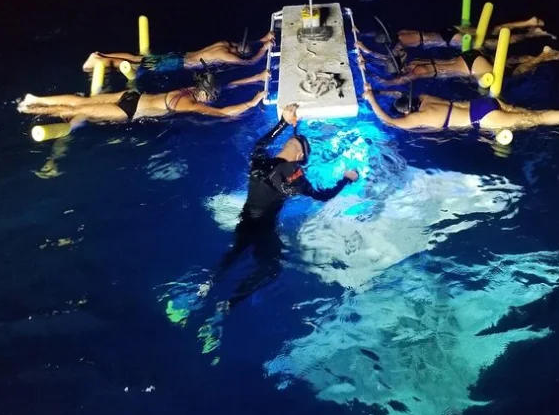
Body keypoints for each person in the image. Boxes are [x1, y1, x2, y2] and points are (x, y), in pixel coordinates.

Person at [198, 104, 360, 308]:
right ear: (300, 158)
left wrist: (283, 122)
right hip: (264, 229)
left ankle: (208, 283)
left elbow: (261, 144)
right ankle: (230, 303)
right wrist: (346, 179)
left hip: (246, 220)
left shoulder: (259, 161)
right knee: (272, 269)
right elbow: (323, 195)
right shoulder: (292, 174)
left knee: (235, 252)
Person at [18, 70, 266, 123]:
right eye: (211, 97)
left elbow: (227, 85)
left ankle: (35, 98)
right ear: (205, 93)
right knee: (77, 112)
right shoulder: (190, 103)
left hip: (133, 95)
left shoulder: (190, 89)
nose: (211, 101)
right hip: (129, 110)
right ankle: (30, 110)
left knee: (81, 102)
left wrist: (256, 77)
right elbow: (223, 113)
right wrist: (252, 102)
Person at [362, 85, 559, 132]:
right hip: (483, 103)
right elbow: (400, 95)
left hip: (482, 117)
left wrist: (372, 101)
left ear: (408, 112)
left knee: (539, 119)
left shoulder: (419, 117)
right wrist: (377, 92)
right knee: (533, 114)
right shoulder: (425, 98)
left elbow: (389, 121)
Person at [356, 42, 559, 84]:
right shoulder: (414, 60)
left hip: (471, 68)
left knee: (514, 73)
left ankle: (542, 57)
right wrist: (367, 53)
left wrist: (371, 76)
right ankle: (547, 54)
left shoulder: (417, 71)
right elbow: (388, 59)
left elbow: (391, 83)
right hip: (467, 56)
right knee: (507, 60)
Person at [82, 32, 276, 73]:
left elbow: (246, 45)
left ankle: (101, 55)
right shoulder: (227, 56)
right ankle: (99, 62)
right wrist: (263, 49)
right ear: (238, 53)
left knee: (138, 58)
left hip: (179, 55)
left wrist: (262, 39)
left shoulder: (225, 44)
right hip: (177, 63)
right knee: (137, 66)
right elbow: (249, 62)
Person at [388, 17, 555, 51]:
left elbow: (394, 56)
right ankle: (528, 22)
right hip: (448, 30)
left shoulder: (400, 43)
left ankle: (532, 34)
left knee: (494, 43)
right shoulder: (401, 32)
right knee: (491, 30)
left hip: (449, 39)